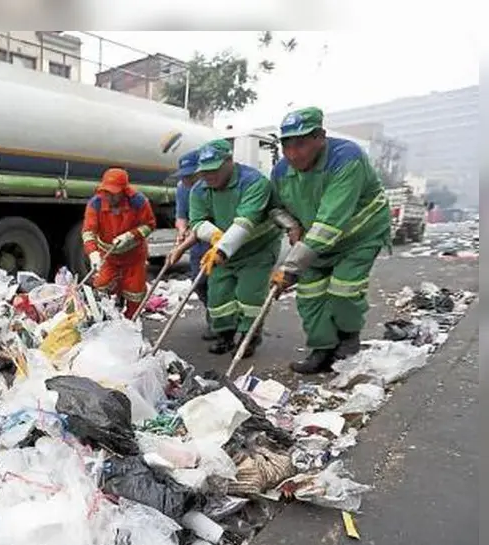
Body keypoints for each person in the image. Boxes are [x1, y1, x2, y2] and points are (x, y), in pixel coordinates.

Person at [268, 107, 391, 374]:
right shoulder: (281, 171)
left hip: (359, 234)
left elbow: (331, 221)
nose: (293, 154)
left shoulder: (347, 158)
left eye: (300, 144)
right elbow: (275, 207)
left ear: (320, 137)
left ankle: (348, 338)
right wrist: (291, 225)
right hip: (316, 240)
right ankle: (322, 350)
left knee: (344, 290)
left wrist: (289, 269)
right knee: (310, 295)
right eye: (286, 145)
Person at [188, 139, 282, 357]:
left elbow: (245, 222)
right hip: (222, 251)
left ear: (229, 161)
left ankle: (250, 337)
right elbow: (197, 222)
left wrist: (221, 248)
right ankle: (225, 335)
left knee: (249, 296)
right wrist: (216, 237)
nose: (209, 176)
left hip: (257, 250)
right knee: (219, 295)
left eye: (215, 170)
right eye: (204, 171)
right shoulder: (199, 189)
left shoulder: (254, 183)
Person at [81, 167, 157, 319]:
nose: (109, 196)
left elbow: (150, 225)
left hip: (134, 256)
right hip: (107, 257)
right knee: (101, 285)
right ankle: (107, 319)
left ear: (124, 191)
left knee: (135, 291)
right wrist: (93, 254)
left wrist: (131, 235)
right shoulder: (95, 203)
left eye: (113, 193)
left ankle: (130, 323)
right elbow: (88, 231)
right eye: (106, 192)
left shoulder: (138, 201)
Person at [166, 149, 216, 340]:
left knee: (217, 284)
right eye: (184, 176)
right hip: (197, 244)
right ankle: (215, 315)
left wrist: (181, 247)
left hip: (215, 240)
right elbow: (181, 216)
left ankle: (218, 324)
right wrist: (181, 231)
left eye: (190, 176)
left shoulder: (211, 186)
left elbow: (204, 224)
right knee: (199, 283)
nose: (187, 180)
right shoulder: (182, 188)